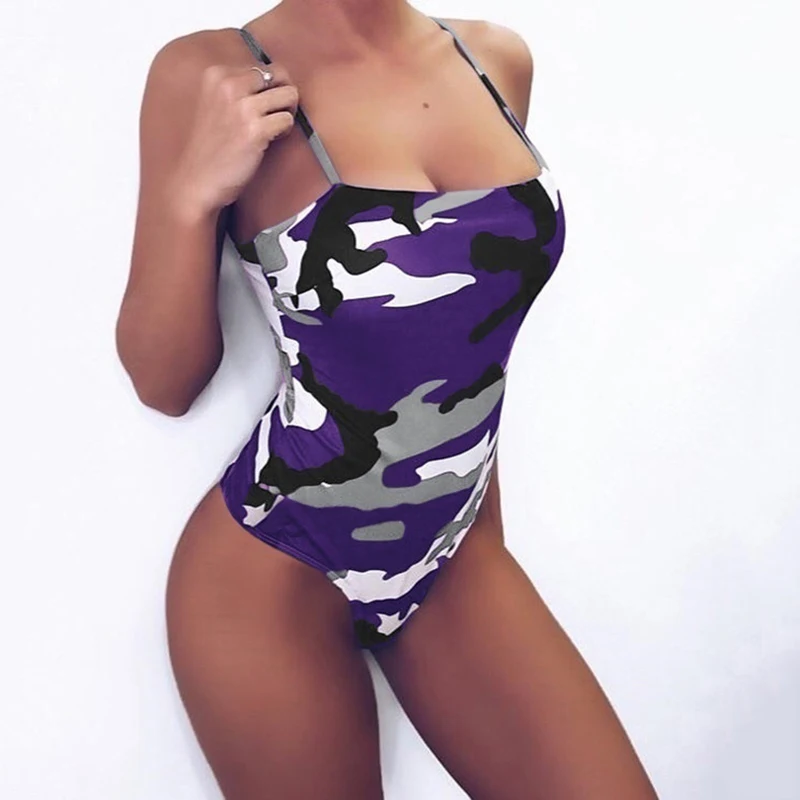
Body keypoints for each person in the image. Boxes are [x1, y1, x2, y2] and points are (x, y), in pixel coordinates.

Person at [116, 1, 660, 797]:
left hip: (454, 556)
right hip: (275, 571)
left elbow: (463, 349)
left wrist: (472, 533)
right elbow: (165, 385)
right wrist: (188, 197)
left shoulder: (495, 58)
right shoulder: (214, 71)